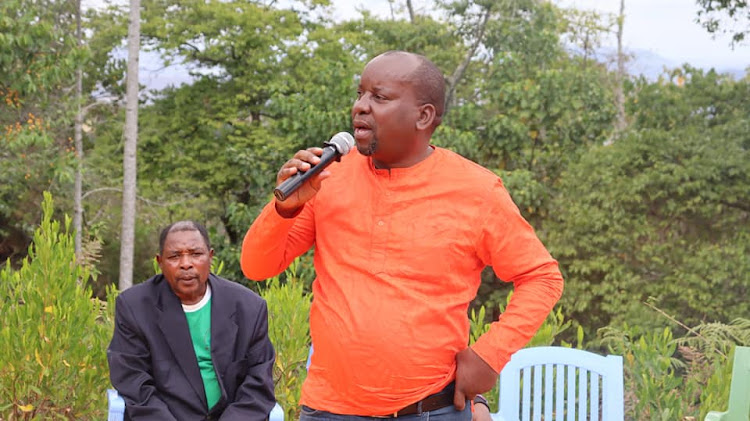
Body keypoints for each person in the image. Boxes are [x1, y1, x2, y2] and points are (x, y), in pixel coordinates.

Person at [241, 51, 564, 419]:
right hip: (328, 410)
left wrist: (489, 355)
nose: (360, 107)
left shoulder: (477, 190)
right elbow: (256, 266)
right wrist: (285, 208)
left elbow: (541, 277)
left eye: (379, 97)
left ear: (423, 116)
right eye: (360, 94)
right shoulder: (329, 177)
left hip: (430, 409)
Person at [108, 221, 276, 420]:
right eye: (174, 256)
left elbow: (258, 384)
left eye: (196, 254)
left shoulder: (249, 308)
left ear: (210, 257)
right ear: (160, 262)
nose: (186, 263)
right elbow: (134, 382)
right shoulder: (134, 307)